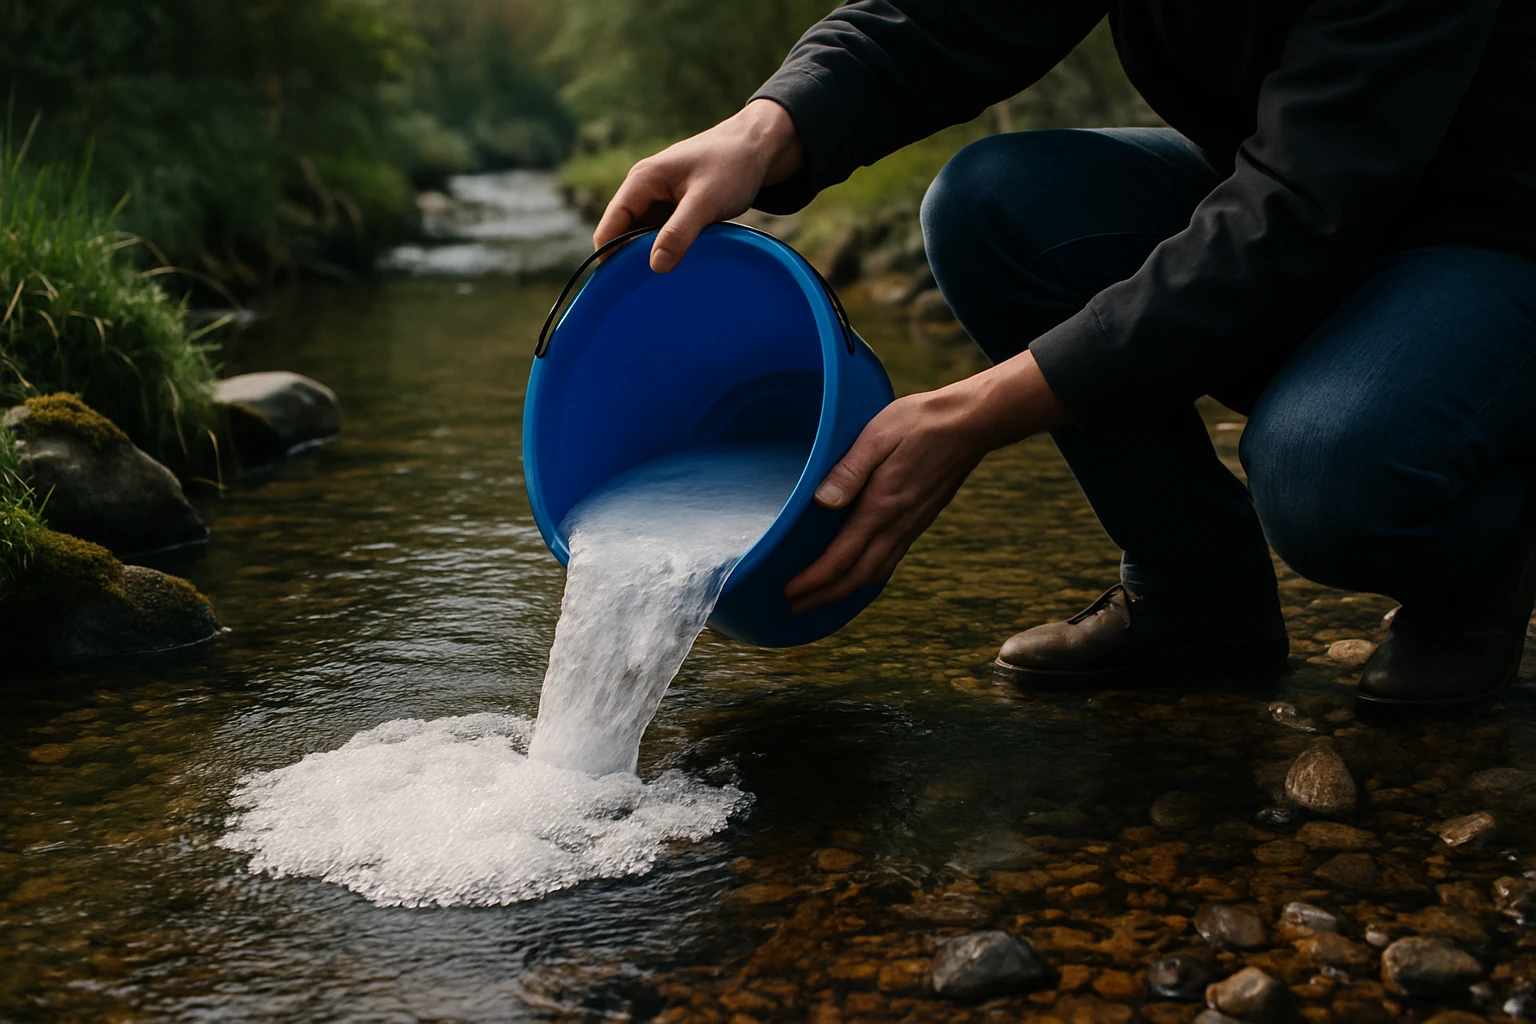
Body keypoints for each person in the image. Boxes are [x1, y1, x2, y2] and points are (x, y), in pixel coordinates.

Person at [593, 0, 1536, 714]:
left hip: (1491, 233)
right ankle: (1196, 596)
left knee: (1333, 474)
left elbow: (1294, 219)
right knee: (993, 204)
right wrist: (763, 128)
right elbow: (943, 16)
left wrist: (973, 416)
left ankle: (1483, 564)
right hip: (1313, 206)